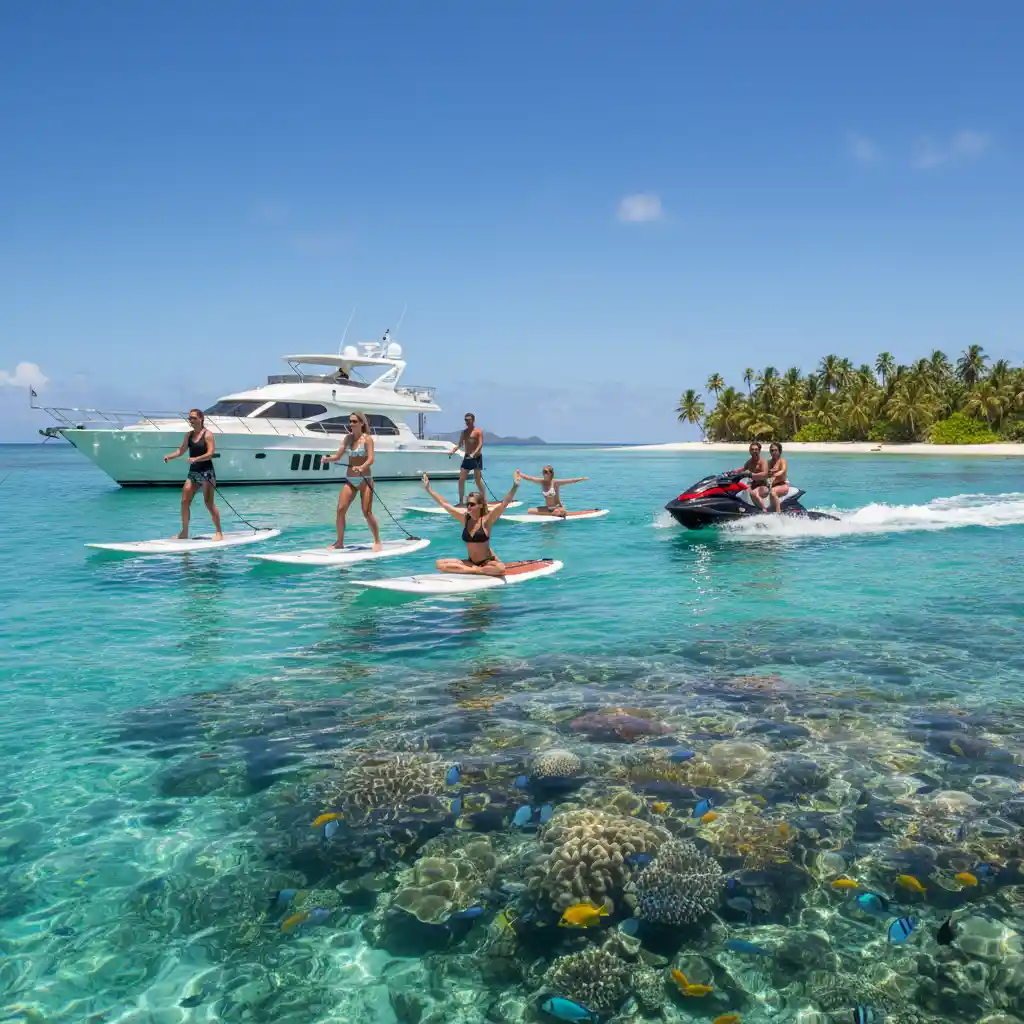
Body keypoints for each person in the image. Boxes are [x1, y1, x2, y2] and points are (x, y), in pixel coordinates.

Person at [420, 470, 521, 577]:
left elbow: (503, 504)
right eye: (467, 504)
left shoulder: (487, 521)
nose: (468, 507)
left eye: (472, 504)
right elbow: (445, 504)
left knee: (500, 568)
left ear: (481, 505)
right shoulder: (465, 519)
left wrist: (515, 486)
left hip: (486, 562)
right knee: (439, 564)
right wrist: (429, 489)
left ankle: (471, 570)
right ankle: (475, 570)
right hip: (471, 562)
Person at [324, 411, 382, 550]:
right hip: (350, 480)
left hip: (365, 479)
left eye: (354, 421)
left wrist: (362, 467)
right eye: (350, 421)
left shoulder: (367, 439)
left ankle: (377, 541)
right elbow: (338, 456)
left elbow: (371, 459)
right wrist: (327, 458)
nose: (351, 424)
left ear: (362, 423)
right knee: (340, 509)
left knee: (366, 512)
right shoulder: (348, 439)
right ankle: (339, 542)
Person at [164, 409, 224, 540]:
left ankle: (219, 532)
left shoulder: (208, 435)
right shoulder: (189, 435)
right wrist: (170, 456)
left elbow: (210, 453)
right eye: (189, 418)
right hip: (194, 473)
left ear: (201, 418)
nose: (190, 420)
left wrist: (196, 459)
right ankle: (184, 532)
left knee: (208, 502)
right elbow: (181, 450)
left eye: (193, 418)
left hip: (207, 472)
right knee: (184, 501)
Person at [518, 465, 588, 517]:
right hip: (548, 508)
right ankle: (556, 513)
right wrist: (519, 473)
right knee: (529, 511)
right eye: (544, 472)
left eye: (546, 472)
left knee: (552, 518)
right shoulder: (542, 482)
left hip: (556, 507)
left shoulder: (555, 482)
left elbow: (570, 481)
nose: (545, 473)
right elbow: (530, 478)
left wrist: (581, 478)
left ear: (551, 473)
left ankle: (560, 512)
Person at [448, 412, 484, 505]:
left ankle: (484, 500)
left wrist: (474, 453)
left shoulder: (478, 431)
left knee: (477, 480)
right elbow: (460, 444)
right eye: (465, 420)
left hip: (476, 458)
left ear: (473, 420)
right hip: (467, 458)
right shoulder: (464, 432)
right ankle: (461, 502)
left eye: (469, 420)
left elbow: (480, 444)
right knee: (461, 479)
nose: (467, 422)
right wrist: (453, 451)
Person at [731, 441, 769, 511]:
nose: (754, 451)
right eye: (752, 449)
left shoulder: (763, 462)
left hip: (764, 487)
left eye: (756, 449)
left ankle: (764, 510)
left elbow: (765, 474)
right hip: (754, 485)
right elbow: (743, 469)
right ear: (749, 451)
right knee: (740, 488)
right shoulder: (749, 462)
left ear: (759, 451)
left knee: (754, 493)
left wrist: (750, 475)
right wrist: (732, 472)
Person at [759, 441, 790, 513]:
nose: (773, 452)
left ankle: (778, 513)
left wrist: (773, 474)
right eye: (772, 450)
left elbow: (782, 471)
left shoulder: (782, 461)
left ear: (779, 451)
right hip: (771, 485)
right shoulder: (768, 462)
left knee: (773, 492)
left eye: (776, 450)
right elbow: (762, 470)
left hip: (782, 485)